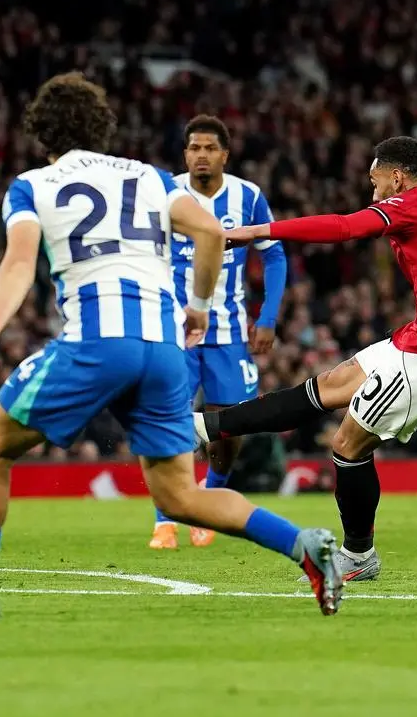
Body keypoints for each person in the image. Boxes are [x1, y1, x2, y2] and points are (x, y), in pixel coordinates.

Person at [0, 73, 343, 618]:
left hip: (98, 339)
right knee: (180, 498)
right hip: (163, 349)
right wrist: (201, 308)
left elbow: (20, 262)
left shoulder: (31, 185)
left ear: (41, 131)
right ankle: (302, 544)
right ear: (101, 126)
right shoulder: (151, 177)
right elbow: (211, 232)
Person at [202, 136, 417, 581]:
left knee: (346, 447)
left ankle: (358, 555)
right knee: (332, 385)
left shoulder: (415, 202)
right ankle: (205, 426)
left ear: (397, 177)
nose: (374, 196)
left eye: (375, 184)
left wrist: (257, 232)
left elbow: (346, 227)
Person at [150, 115, 287, 550]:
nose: (201, 155)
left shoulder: (248, 197)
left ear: (224, 155)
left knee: (230, 425)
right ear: (185, 153)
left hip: (228, 333)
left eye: (210, 148)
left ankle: (210, 494)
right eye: (194, 148)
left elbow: (275, 256)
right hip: (175, 329)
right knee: (171, 416)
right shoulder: (166, 193)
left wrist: (267, 318)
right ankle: (165, 517)